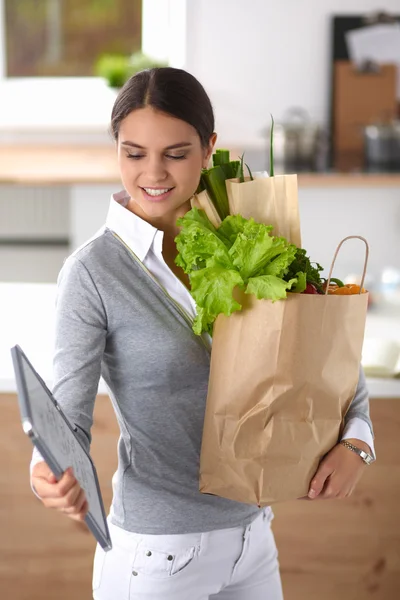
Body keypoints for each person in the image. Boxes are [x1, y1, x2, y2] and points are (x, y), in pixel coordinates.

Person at [30, 67, 375, 600]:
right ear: (117, 149)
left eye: (176, 152)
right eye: (133, 152)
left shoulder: (255, 234)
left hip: (254, 540)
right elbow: (65, 421)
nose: (153, 173)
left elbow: (327, 350)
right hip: (156, 556)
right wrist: (48, 470)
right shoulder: (94, 272)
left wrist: (358, 441)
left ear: (210, 147)